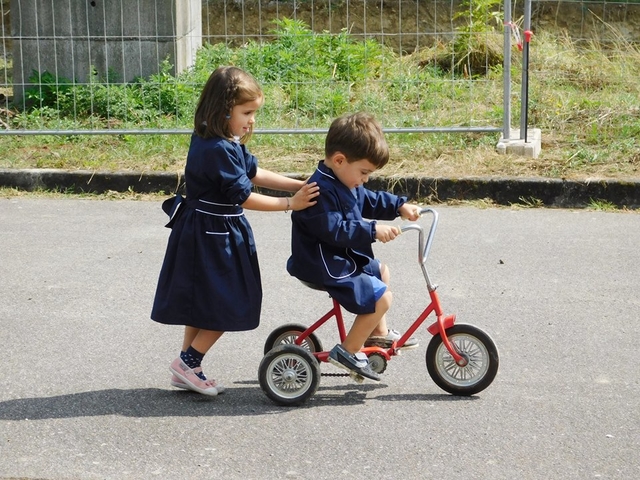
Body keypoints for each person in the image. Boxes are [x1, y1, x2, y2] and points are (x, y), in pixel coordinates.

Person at [151, 66, 320, 396]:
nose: (252, 120)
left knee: (203, 302)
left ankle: (189, 368)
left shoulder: (218, 140)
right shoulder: (218, 150)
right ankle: (189, 361)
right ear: (223, 109)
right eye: (247, 112)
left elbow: (254, 172)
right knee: (227, 301)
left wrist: (302, 185)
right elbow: (243, 195)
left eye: (255, 112)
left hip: (205, 230)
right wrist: (291, 204)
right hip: (215, 234)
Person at [286, 112, 422, 381]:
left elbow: (368, 199)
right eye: (364, 172)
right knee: (382, 298)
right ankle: (348, 350)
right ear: (339, 160)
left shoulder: (345, 181)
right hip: (322, 263)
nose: (365, 179)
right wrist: (372, 230)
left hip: (340, 257)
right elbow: (335, 229)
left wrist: (398, 206)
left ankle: (378, 335)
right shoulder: (319, 191)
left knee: (381, 271)